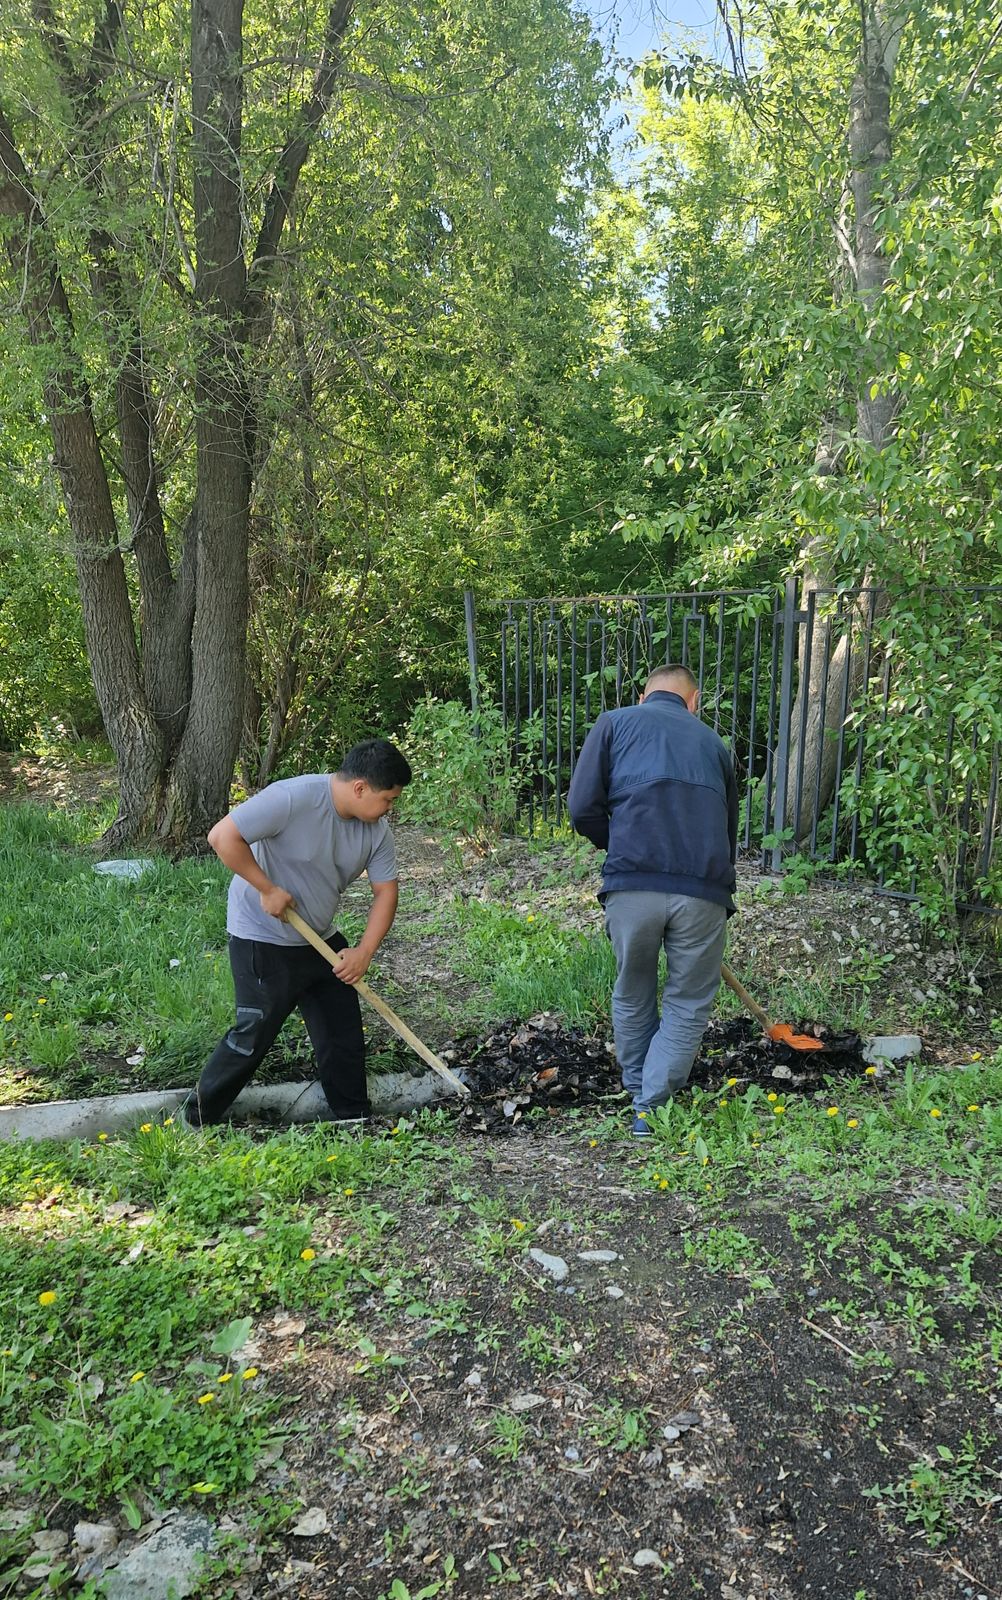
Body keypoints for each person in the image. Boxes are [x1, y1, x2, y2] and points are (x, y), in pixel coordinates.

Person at [187, 738, 412, 1128]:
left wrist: (363, 951)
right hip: (262, 935)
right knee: (254, 1033)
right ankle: (198, 1117)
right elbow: (222, 837)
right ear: (360, 788)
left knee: (342, 1032)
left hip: (320, 937)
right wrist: (267, 888)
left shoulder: (376, 831)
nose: (390, 808)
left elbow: (385, 893)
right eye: (388, 799)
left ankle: (354, 1119)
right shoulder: (293, 798)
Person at [567, 665, 737, 1138]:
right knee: (687, 1002)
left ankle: (639, 1089)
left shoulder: (615, 722)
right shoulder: (713, 744)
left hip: (632, 888)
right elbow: (728, 831)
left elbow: (581, 808)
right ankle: (650, 1107)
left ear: (643, 697)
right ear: (694, 701)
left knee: (632, 987)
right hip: (703, 891)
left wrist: (620, 844)